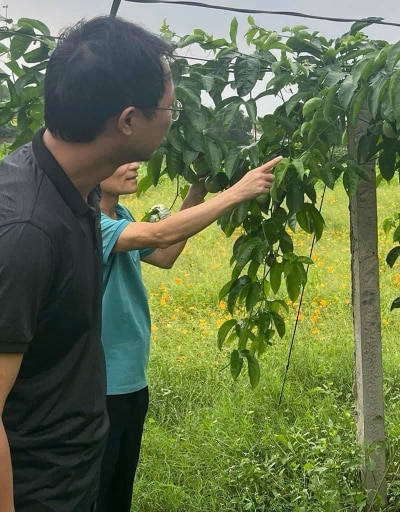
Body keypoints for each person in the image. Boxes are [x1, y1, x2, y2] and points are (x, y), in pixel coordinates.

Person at [0, 16, 179, 512]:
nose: (172, 117)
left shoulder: (78, 190)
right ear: (129, 120)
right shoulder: (23, 230)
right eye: (169, 107)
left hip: (70, 480)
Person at [96, 154, 280, 511]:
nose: (133, 164)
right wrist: (236, 193)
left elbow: (164, 254)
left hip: (131, 378)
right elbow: (160, 232)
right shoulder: (88, 222)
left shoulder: (120, 216)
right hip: (99, 384)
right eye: (120, 158)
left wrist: (197, 189)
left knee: (118, 493)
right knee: (96, 494)